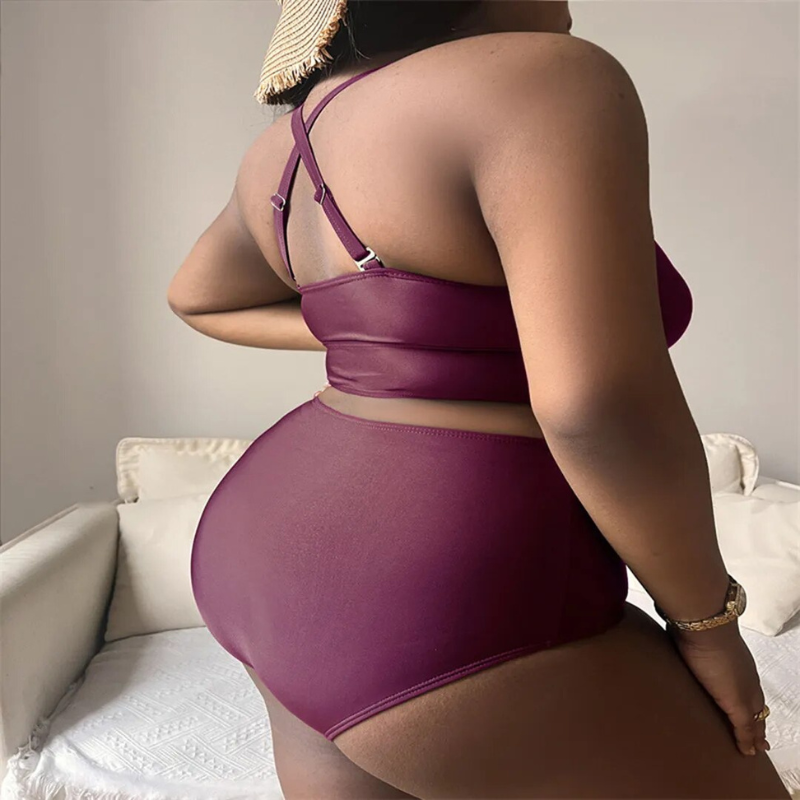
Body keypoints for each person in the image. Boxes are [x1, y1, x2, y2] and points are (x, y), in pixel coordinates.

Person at [167, 2, 790, 797]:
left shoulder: (283, 147)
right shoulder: (544, 77)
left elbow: (198, 297)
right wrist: (707, 623)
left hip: (260, 560)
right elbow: (595, 405)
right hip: (432, 586)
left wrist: (394, 338)